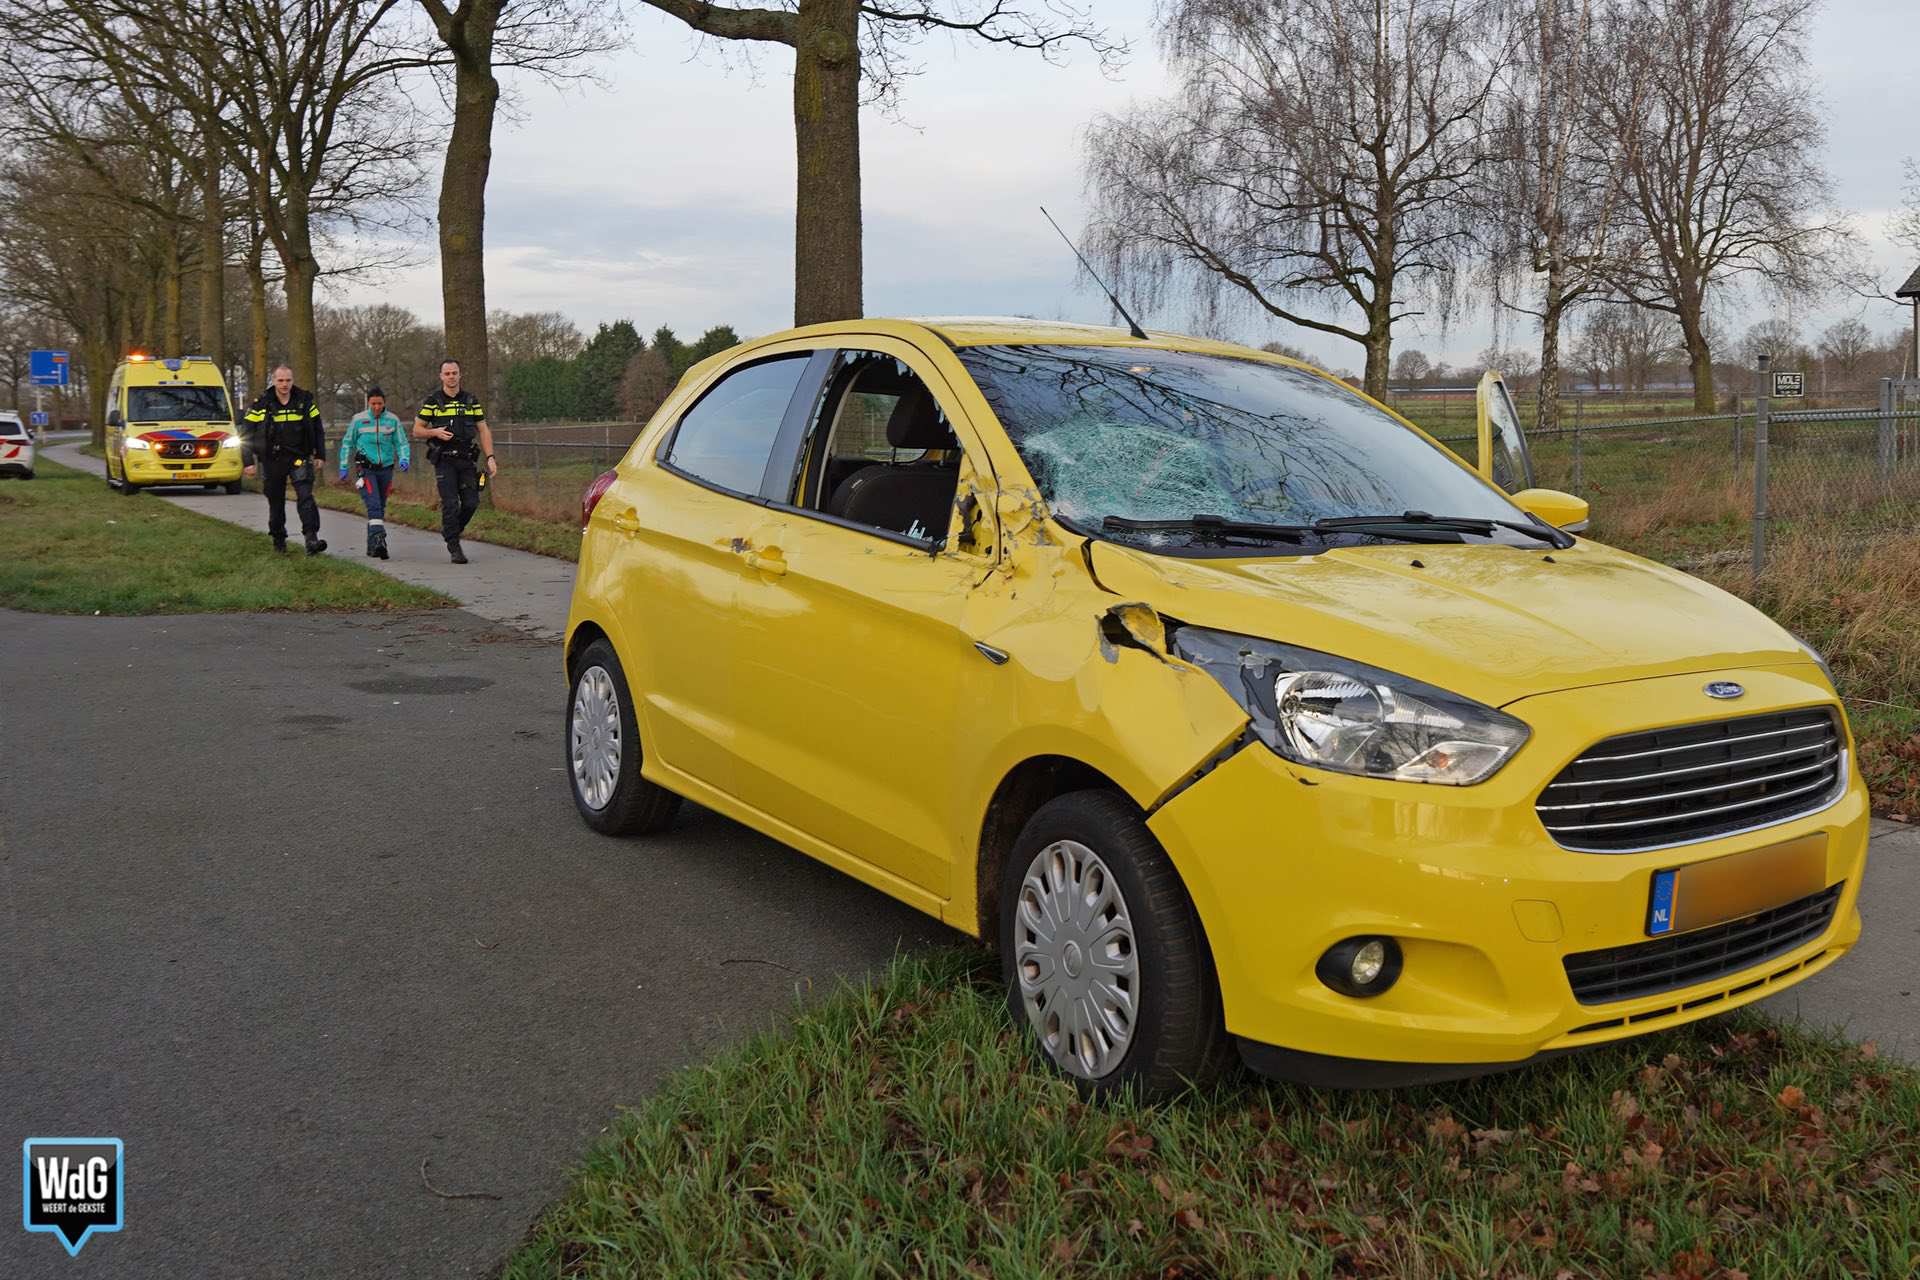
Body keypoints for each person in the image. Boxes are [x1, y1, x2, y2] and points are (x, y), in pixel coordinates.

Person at [412, 358, 496, 564]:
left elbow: (483, 429)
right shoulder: (433, 401)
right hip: (444, 461)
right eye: (447, 373)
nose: (451, 377)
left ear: (460, 375)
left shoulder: (471, 400)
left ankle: (452, 531)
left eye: (454, 373)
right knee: (450, 503)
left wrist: (491, 457)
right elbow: (417, 430)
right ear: (441, 376)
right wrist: (434, 432)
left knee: (471, 502)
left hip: (466, 459)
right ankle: (454, 546)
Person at [241, 362, 328, 555]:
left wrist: (320, 454)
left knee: (306, 497)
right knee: (276, 501)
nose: (284, 384)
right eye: (280, 380)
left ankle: (311, 539)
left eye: (288, 380)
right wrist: (248, 462)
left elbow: (318, 428)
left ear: (293, 381)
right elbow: (245, 433)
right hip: (273, 459)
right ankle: (279, 540)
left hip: (299, 457)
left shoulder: (304, 401)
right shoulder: (261, 404)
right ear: (273, 381)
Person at [338, 385, 410, 559]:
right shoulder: (358, 420)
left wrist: (404, 457)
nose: (377, 407)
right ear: (368, 403)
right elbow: (348, 443)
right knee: (374, 504)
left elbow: (401, 442)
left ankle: (372, 547)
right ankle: (380, 540)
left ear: (384, 403)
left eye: (379, 403)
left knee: (380, 506)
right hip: (366, 469)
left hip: (385, 469)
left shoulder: (392, 420)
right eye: (373, 404)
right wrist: (343, 465)